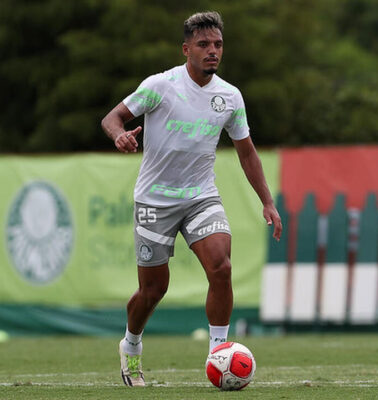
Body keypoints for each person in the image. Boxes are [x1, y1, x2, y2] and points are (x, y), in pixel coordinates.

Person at [100, 11, 282, 387]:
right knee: (153, 290)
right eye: (203, 45)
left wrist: (267, 200)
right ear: (186, 50)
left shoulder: (230, 97)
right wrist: (119, 135)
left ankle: (219, 353)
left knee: (221, 266)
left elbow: (246, 152)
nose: (212, 51)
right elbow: (112, 117)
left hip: (201, 196)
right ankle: (131, 346)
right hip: (155, 201)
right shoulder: (160, 85)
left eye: (217, 44)